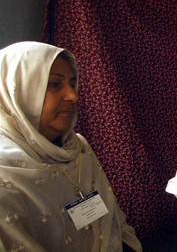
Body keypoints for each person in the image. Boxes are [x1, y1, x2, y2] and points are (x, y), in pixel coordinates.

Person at [0, 41, 142, 252]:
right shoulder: (5, 172)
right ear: (18, 91)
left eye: (72, 83)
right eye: (55, 84)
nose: (73, 95)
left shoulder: (78, 148)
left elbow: (115, 224)